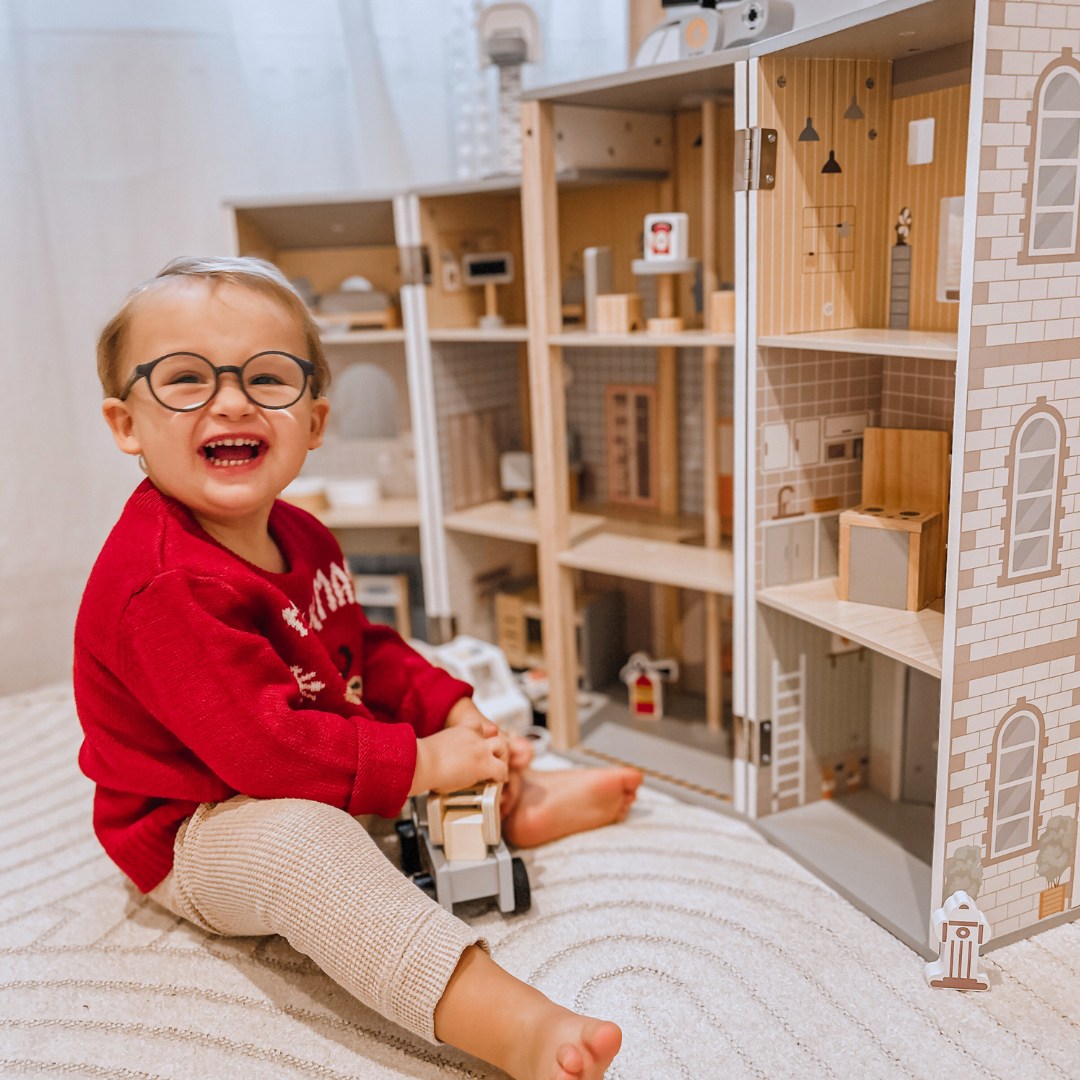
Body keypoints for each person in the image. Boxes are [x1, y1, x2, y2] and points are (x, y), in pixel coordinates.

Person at [74, 255, 643, 1080]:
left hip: (286, 754)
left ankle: (508, 803)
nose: (230, 400)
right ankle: (504, 1019)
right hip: (194, 824)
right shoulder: (166, 584)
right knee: (306, 841)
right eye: (187, 380)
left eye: (267, 378)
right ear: (128, 425)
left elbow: (363, 653)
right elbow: (264, 756)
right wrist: (418, 761)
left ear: (314, 420)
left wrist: (449, 717)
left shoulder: (303, 537)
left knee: (434, 722)